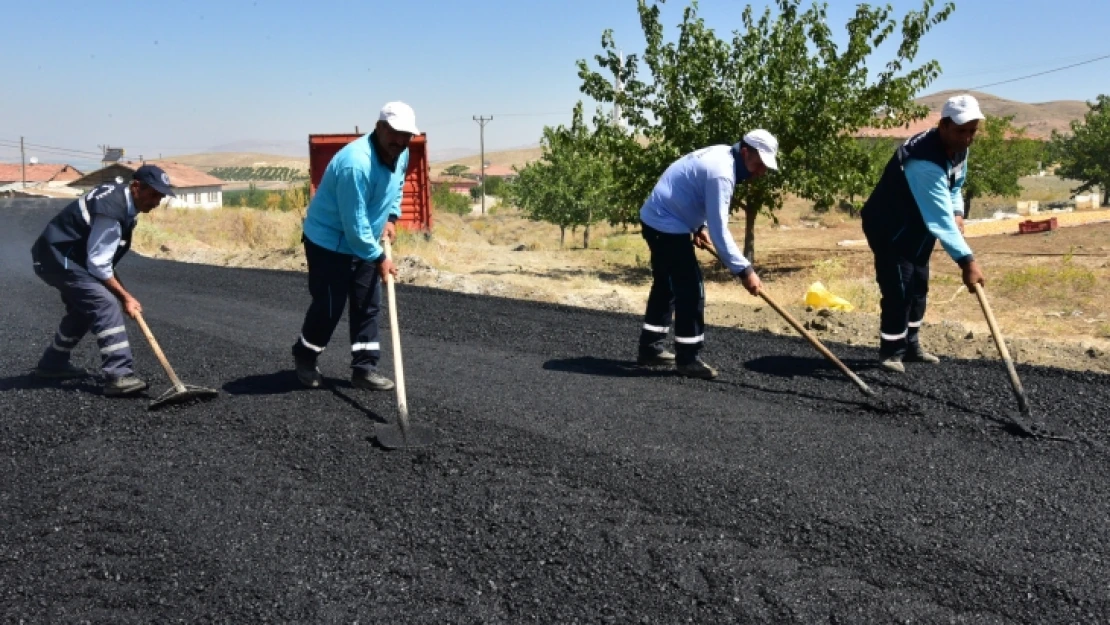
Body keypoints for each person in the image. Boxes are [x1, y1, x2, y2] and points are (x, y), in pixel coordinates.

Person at [291, 101, 419, 391]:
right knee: (329, 306)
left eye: (406, 135)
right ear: (380, 128)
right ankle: (305, 355)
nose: (400, 141)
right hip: (329, 242)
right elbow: (354, 224)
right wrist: (379, 257)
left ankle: (364, 369)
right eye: (395, 133)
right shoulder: (355, 164)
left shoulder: (401, 152)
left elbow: (396, 186)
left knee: (367, 305)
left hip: (365, 239)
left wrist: (391, 217)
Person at [637, 130, 779, 380]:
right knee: (690, 289)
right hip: (665, 224)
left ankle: (650, 349)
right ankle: (688, 358)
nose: (761, 172)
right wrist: (745, 271)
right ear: (745, 152)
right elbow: (720, 230)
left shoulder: (725, 157)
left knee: (666, 285)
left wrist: (698, 227)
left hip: (659, 218)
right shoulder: (722, 173)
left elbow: (693, 194)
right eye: (759, 164)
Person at [861, 93, 987, 373]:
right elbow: (939, 220)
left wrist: (958, 212)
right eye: (961, 131)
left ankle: (911, 344)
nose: (967, 138)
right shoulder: (923, 160)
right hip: (890, 227)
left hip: (918, 225)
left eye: (972, 131)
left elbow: (955, 186)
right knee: (900, 288)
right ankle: (892, 351)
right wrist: (968, 262)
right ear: (943, 125)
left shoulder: (957, 148)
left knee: (919, 284)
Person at [30, 164, 175, 395]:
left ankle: (52, 364)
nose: (157, 201)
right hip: (59, 258)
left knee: (83, 310)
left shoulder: (122, 205)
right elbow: (98, 264)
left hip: (64, 258)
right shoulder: (112, 210)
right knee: (104, 303)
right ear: (136, 186)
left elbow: (103, 263)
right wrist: (124, 297)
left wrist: (126, 296)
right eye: (154, 194)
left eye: (161, 196)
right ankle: (118, 375)